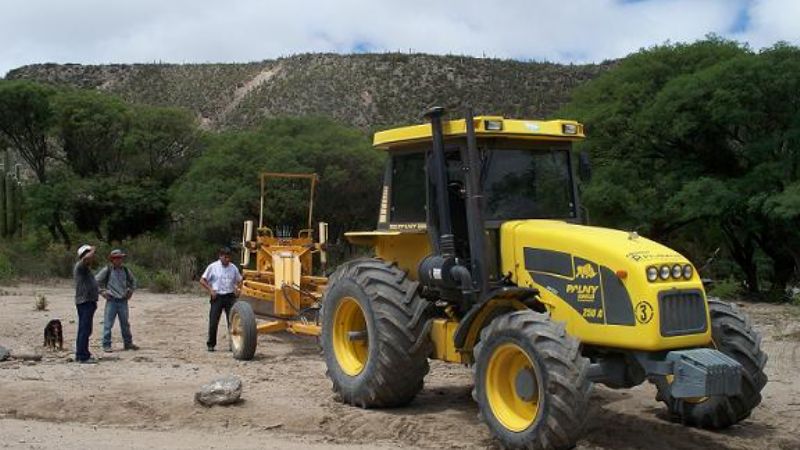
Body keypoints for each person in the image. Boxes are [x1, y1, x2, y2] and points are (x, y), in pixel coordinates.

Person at [199, 247, 243, 352]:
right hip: (217, 297)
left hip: (230, 297)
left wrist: (238, 288)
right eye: (225, 257)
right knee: (214, 321)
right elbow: (202, 280)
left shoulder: (233, 268)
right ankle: (211, 344)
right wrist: (210, 290)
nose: (227, 259)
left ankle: (233, 344)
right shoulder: (213, 267)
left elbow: (240, 280)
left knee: (232, 322)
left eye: (229, 257)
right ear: (220, 256)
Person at [96, 249, 139, 352]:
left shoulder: (126, 270)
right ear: (112, 259)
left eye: (121, 258)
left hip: (123, 300)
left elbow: (134, 281)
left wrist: (131, 290)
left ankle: (128, 343)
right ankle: (106, 345)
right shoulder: (107, 270)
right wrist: (102, 292)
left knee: (125, 324)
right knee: (108, 324)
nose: (119, 260)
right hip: (112, 300)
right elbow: (95, 281)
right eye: (117, 258)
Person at [74, 244, 99, 364]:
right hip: (85, 302)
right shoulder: (81, 266)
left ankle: (81, 353)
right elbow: (86, 259)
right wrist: (93, 249)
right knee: (84, 329)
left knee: (86, 329)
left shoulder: (86, 269)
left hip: (88, 301)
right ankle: (83, 356)